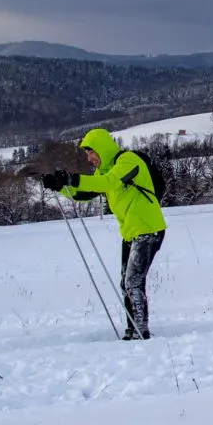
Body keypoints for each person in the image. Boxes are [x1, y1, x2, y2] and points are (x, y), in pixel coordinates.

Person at [42, 129, 166, 339]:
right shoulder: (106, 171)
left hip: (148, 229)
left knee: (132, 281)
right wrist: (61, 186)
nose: (89, 158)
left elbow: (110, 183)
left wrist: (72, 178)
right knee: (126, 282)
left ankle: (140, 330)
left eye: (91, 152)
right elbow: (85, 193)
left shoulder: (128, 161)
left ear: (103, 148)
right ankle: (132, 327)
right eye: (87, 155)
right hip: (131, 233)